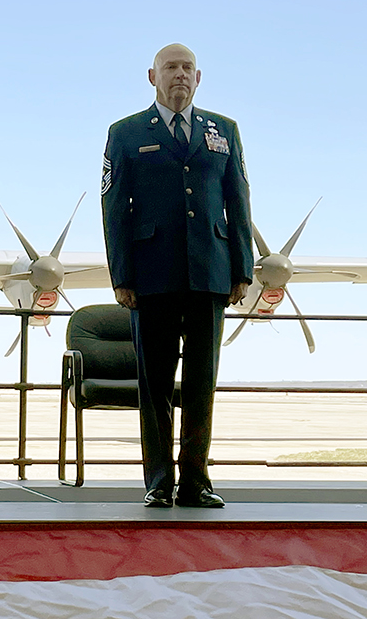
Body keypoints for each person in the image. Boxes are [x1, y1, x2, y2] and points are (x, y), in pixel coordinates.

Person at [101, 44, 253, 509]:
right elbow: (113, 208)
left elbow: (239, 201)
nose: (180, 75)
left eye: (188, 68)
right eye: (171, 67)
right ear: (152, 76)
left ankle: (196, 482)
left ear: (199, 77)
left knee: (202, 383)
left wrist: (242, 269)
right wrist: (122, 275)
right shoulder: (125, 133)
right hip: (151, 276)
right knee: (156, 384)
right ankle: (158, 481)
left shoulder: (223, 131)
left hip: (210, 272)